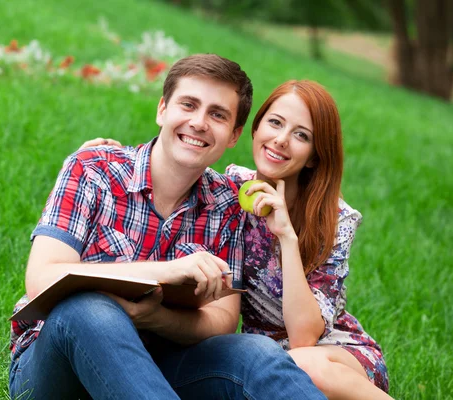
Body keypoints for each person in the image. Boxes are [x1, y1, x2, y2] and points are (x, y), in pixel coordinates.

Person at [9, 54, 326, 400]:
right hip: (57, 366)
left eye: (217, 115)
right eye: (188, 104)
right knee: (89, 310)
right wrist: (167, 272)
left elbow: (222, 318)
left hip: (160, 365)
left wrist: (153, 317)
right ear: (162, 109)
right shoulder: (92, 170)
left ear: (234, 135)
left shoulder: (227, 203)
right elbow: (41, 278)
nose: (199, 122)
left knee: (258, 353)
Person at [84, 80, 392, 399]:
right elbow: (170, 169)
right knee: (265, 366)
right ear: (255, 131)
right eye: (275, 123)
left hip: (330, 355)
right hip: (253, 357)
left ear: (314, 156)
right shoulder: (230, 190)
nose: (281, 140)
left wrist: (286, 235)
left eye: (301, 135)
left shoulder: (335, 219)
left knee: (297, 364)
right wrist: (107, 156)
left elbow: (304, 338)